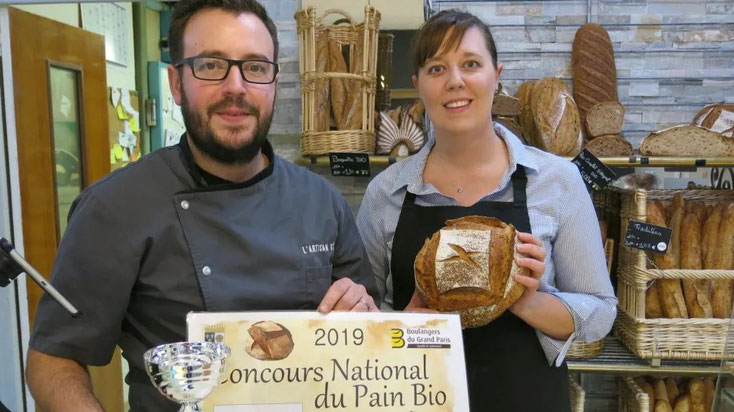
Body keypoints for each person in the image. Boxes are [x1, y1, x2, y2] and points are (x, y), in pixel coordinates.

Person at [26, 1, 378, 410]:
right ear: (176, 83)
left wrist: (363, 314)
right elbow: (53, 357)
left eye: (255, 67)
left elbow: (364, 331)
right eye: (211, 65)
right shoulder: (114, 207)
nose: (236, 86)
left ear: (274, 83)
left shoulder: (322, 201)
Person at [356, 10, 616, 412]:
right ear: (418, 86)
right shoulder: (385, 192)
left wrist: (523, 301)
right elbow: (365, 326)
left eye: (471, 64)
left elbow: (600, 313)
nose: (455, 81)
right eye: (436, 68)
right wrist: (405, 325)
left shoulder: (557, 181)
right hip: (417, 398)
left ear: (497, 75)